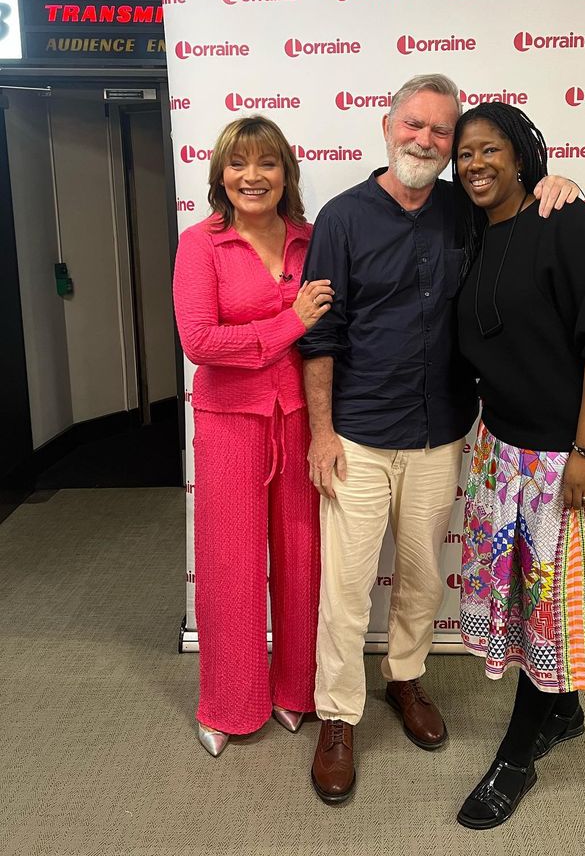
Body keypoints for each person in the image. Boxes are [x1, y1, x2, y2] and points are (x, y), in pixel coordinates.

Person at [298, 74, 581, 803]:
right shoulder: (342, 218)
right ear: (386, 125)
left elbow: (526, 220)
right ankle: (337, 715)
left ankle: (406, 679)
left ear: (453, 145)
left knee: (423, 575)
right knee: (347, 586)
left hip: (439, 432)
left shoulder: (466, 208)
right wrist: (320, 432)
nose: (424, 140)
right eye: (412, 125)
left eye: (440, 131)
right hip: (356, 435)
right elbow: (318, 335)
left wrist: (560, 184)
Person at [451, 102, 585, 829]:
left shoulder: (561, 222)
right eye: (464, 152)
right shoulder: (474, 231)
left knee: (552, 612)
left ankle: (516, 756)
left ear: (522, 153)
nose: (475, 163)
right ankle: (562, 712)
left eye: (491, 150)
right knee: (528, 604)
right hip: (504, 453)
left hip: (570, 458)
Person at [172, 116, 333, 757]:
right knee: (231, 566)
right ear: (220, 176)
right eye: (238, 164)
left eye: (267, 164)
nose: (252, 177)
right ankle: (230, 701)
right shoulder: (200, 244)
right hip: (228, 423)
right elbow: (201, 343)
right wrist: (287, 324)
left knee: (300, 556)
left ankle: (296, 690)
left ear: (286, 174)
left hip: (299, 420)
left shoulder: (311, 240)